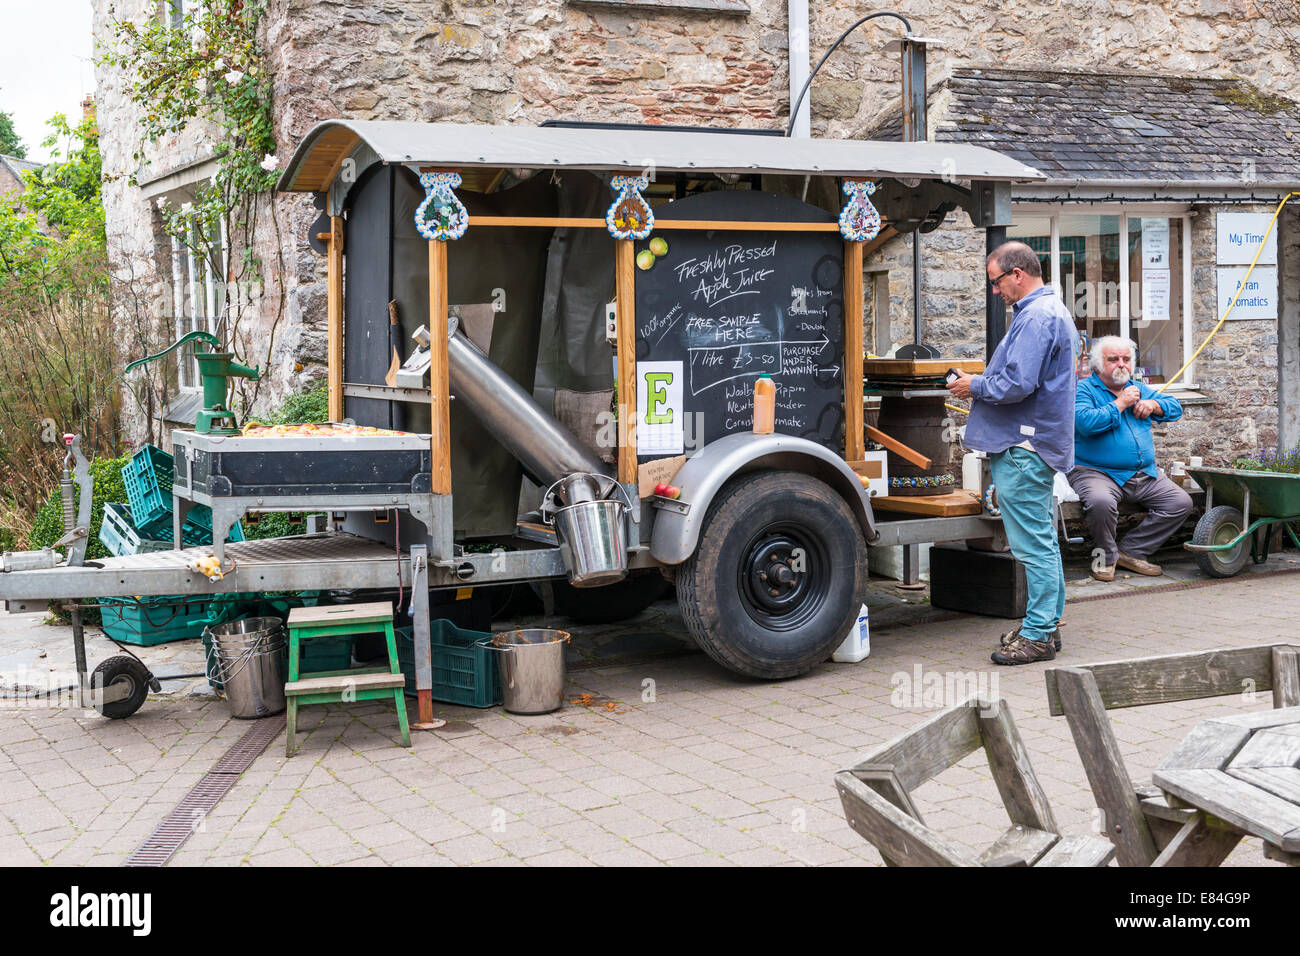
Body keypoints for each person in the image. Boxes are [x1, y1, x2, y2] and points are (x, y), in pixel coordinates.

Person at [948, 241, 1077, 665]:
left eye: (996, 281)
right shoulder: (1050, 310)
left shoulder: (1037, 317)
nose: (995, 291)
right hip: (1037, 443)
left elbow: (1015, 385)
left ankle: (1038, 635)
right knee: (1043, 542)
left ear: (1017, 274)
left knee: (1031, 546)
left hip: (1024, 446)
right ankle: (1047, 624)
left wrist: (973, 385)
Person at [1068, 336, 1192, 580]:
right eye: (1113, 360)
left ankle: (1131, 551)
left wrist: (1153, 405)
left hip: (1144, 474)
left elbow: (1175, 407)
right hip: (1096, 472)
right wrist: (1120, 404)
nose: (1121, 364)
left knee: (1180, 503)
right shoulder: (1083, 389)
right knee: (1100, 502)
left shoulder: (1137, 388)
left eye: (1126, 359)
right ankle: (1105, 558)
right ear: (1098, 364)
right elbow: (1085, 424)